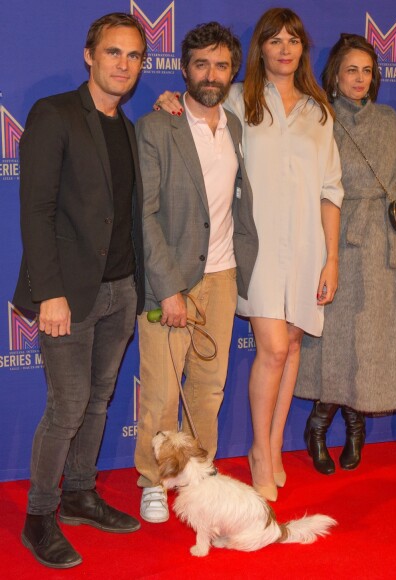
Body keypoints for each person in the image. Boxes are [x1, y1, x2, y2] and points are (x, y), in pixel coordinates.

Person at [155, 8, 343, 501]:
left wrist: (332, 259)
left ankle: (275, 447)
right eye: (274, 39)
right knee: (274, 348)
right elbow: (198, 110)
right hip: (253, 248)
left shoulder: (319, 110)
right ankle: (260, 450)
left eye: (293, 40)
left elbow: (331, 189)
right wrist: (169, 99)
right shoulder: (238, 98)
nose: (284, 48)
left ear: (304, 49)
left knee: (295, 346)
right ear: (259, 48)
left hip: (307, 247)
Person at [13, 13, 147, 569]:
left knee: (97, 400)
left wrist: (137, 287)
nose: (124, 65)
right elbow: (37, 209)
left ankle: (79, 495)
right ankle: (38, 516)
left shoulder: (126, 125)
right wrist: (50, 292)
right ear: (90, 55)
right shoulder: (55, 114)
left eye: (135, 56)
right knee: (67, 406)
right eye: (113, 53)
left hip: (120, 291)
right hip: (67, 294)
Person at [134, 22, 258, 524]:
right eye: (201, 64)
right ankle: (152, 480)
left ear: (233, 72)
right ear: (184, 68)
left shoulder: (234, 126)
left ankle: (197, 474)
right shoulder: (157, 126)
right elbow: (144, 213)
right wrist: (168, 289)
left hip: (223, 276)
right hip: (173, 281)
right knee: (163, 391)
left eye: (222, 65)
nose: (211, 74)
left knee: (209, 386)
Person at [295, 34, 396, 475]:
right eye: (352, 70)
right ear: (334, 73)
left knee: (371, 344)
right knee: (334, 341)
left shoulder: (389, 119)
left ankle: (356, 428)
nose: (361, 79)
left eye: (368, 71)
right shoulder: (319, 117)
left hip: (386, 245)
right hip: (339, 238)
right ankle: (317, 426)